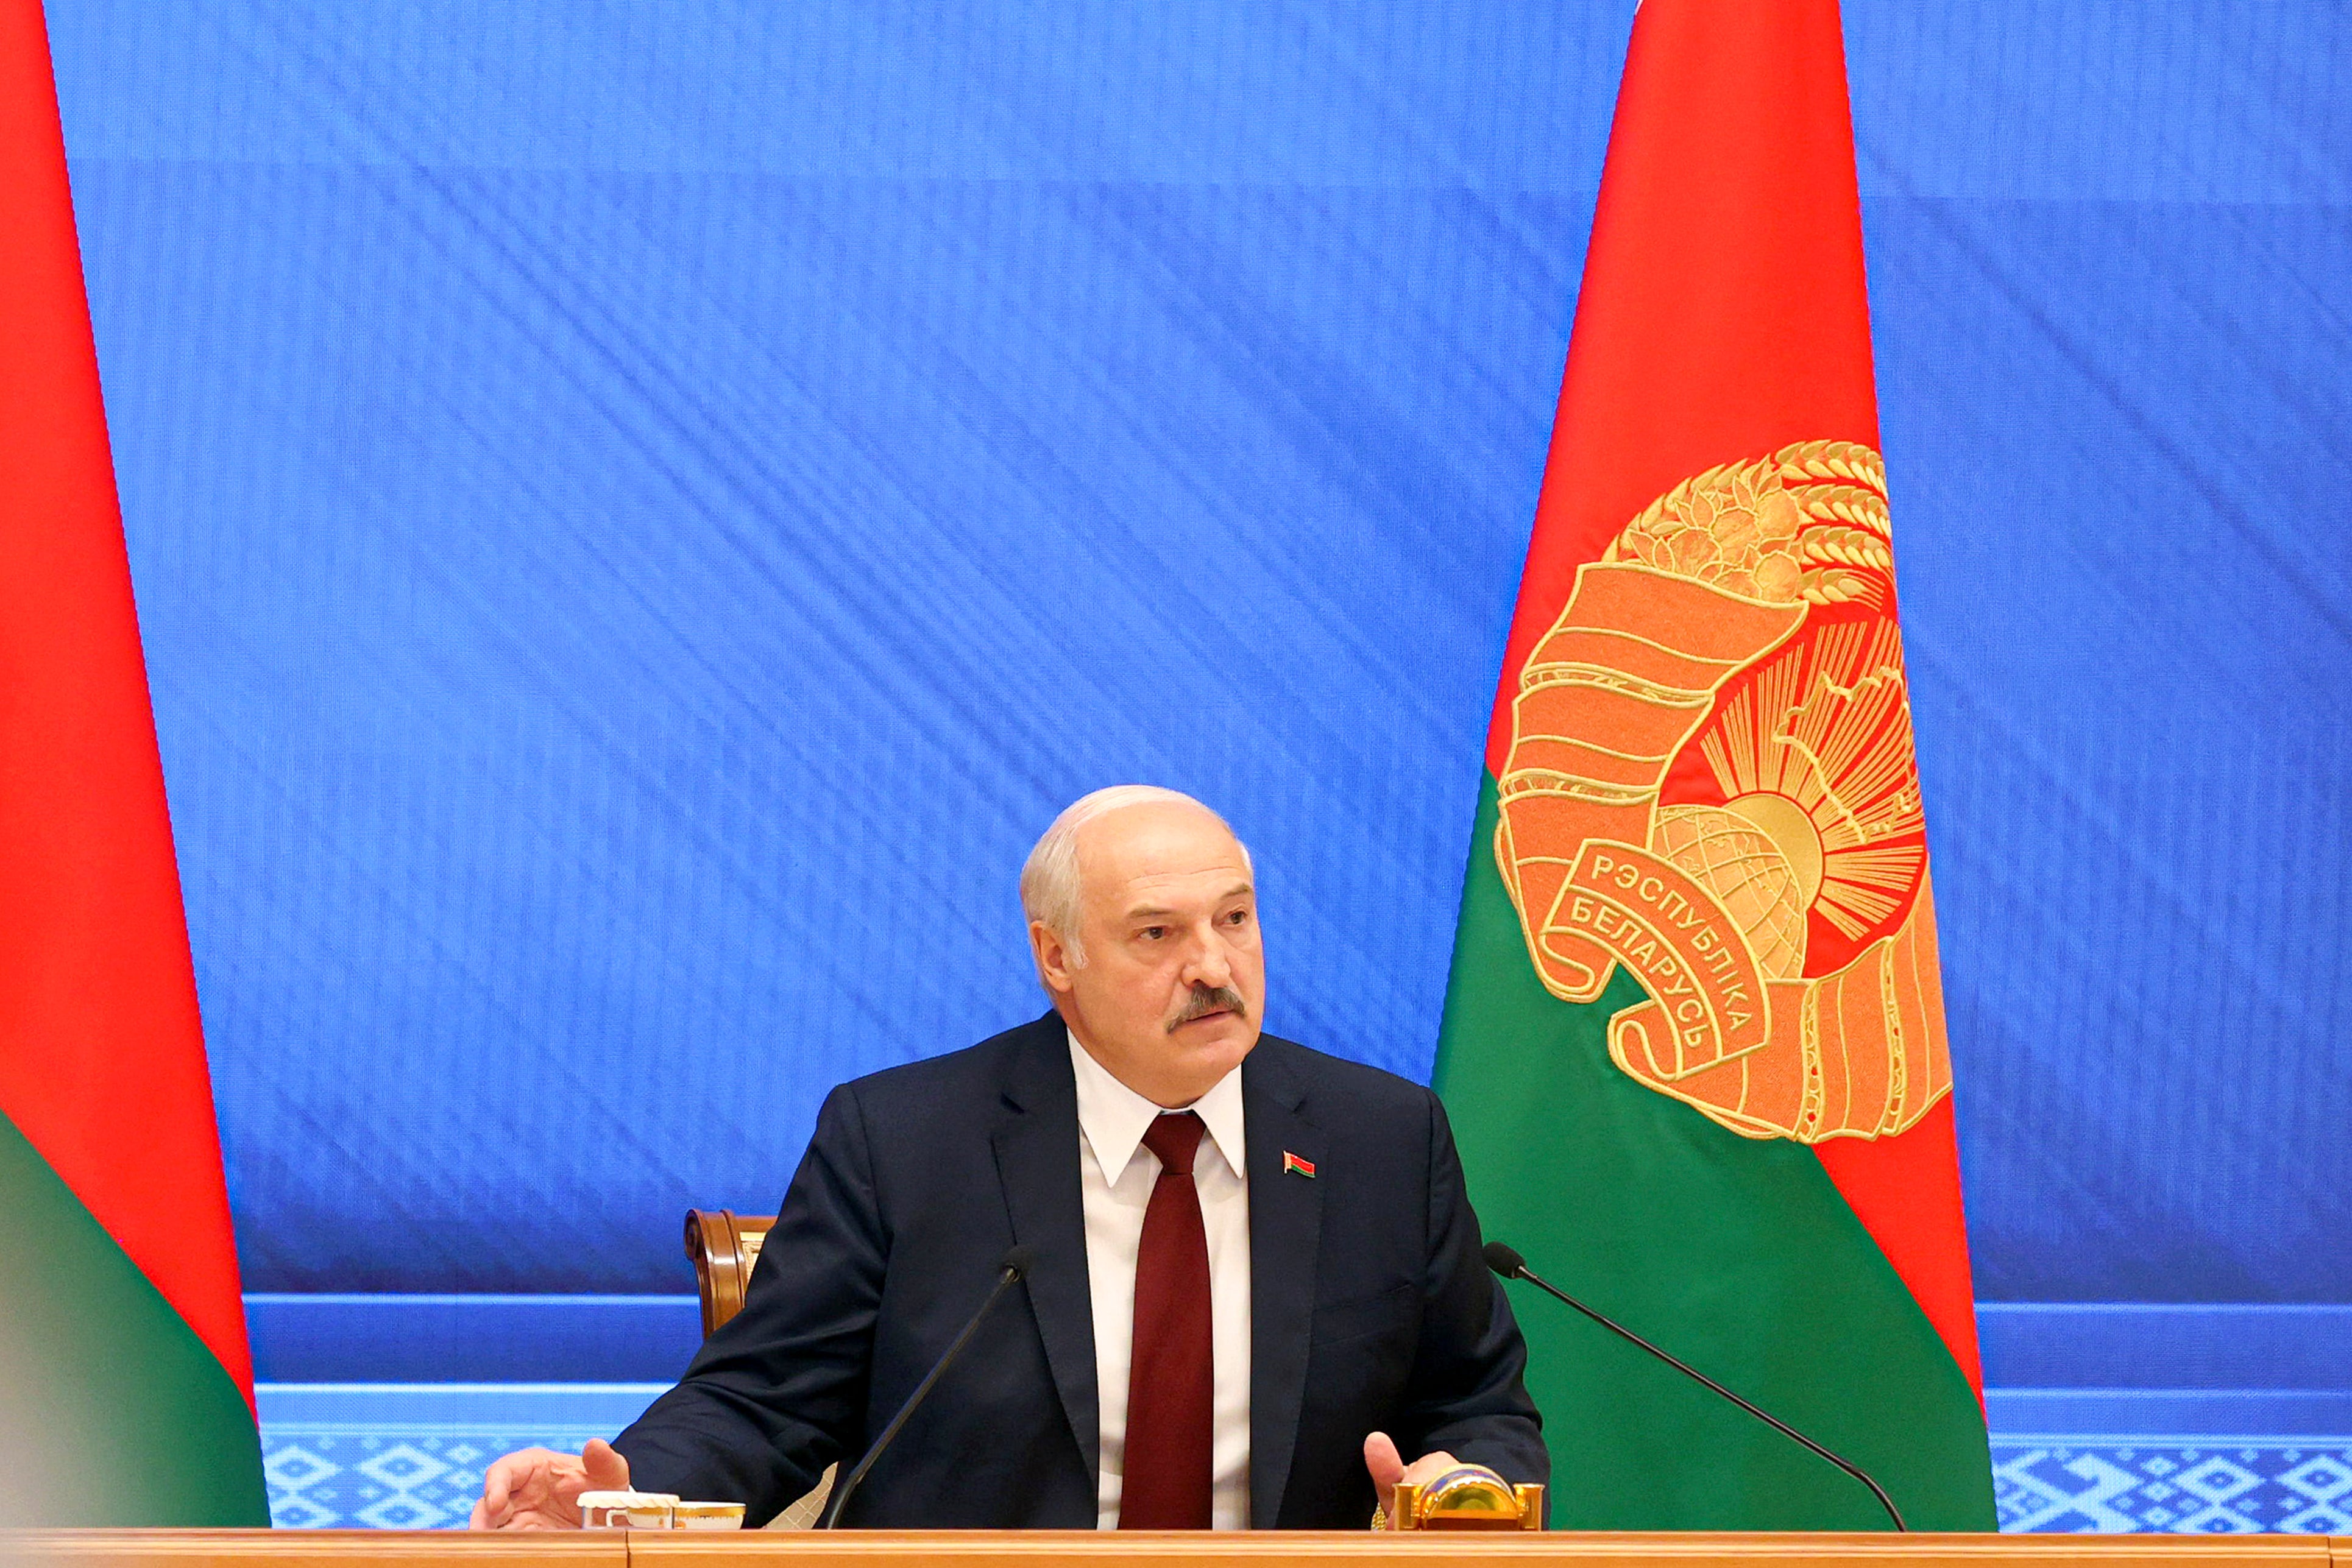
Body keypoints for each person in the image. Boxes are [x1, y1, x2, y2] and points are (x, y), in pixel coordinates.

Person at [473, 786, 1545, 1529]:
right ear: (1056, 956)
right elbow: (769, 1401)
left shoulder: (1378, 1140)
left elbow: (1476, 1399)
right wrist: (616, 1492)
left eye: (1234, 918)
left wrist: (1473, 1484)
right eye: (1158, 935)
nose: (1214, 967)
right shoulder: (905, 1142)